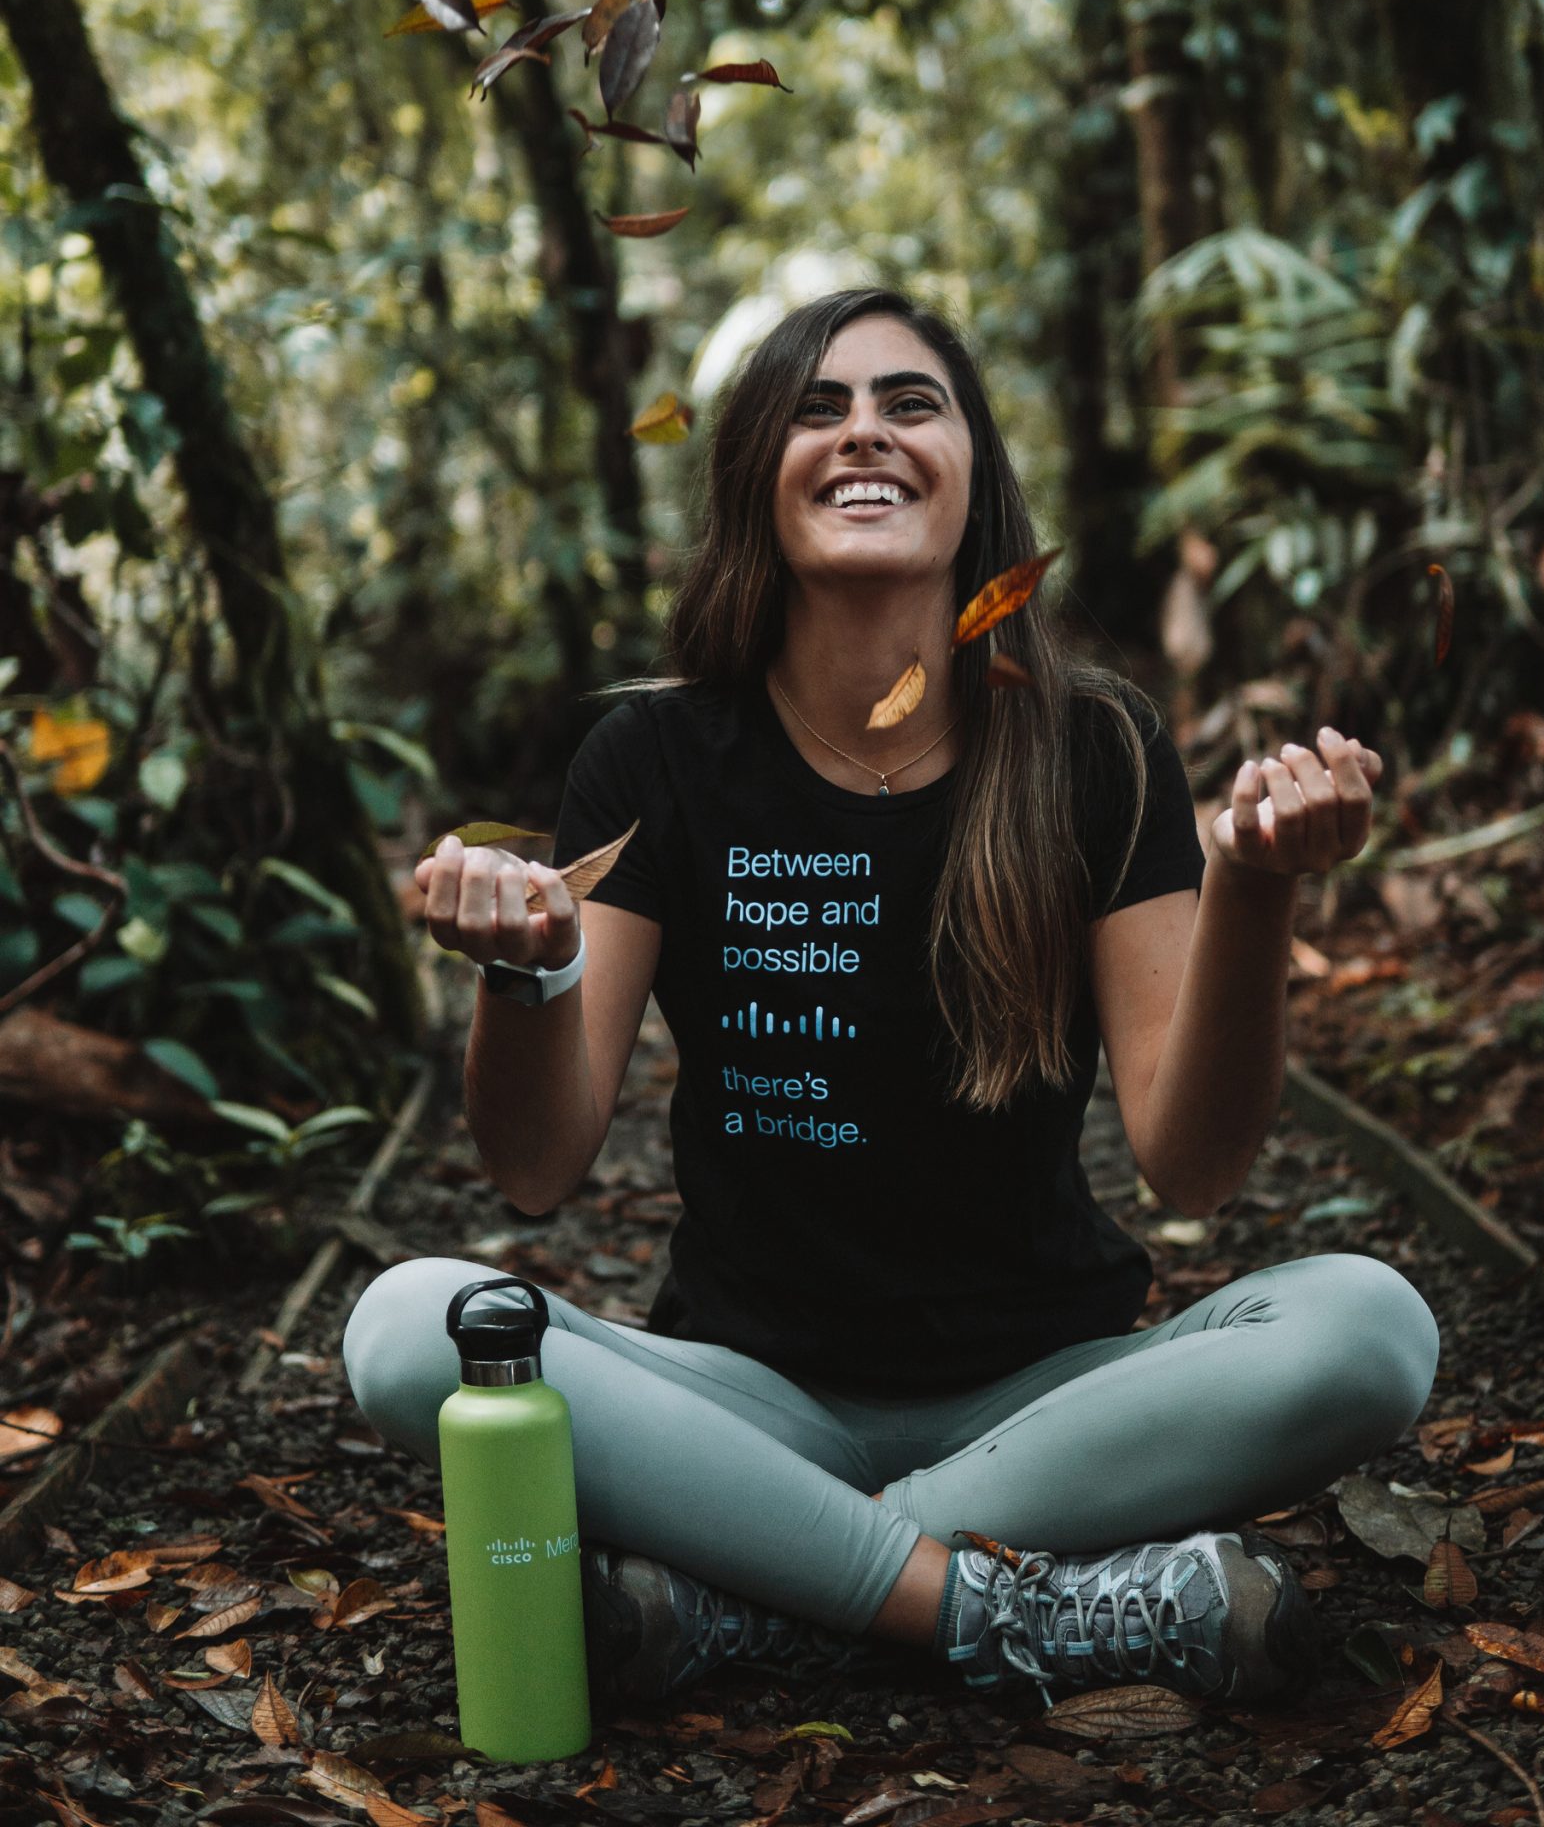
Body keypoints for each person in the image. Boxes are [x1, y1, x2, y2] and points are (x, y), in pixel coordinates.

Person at [342, 286, 1438, 1716]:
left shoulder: (1095, 750)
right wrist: (526, 968)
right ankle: (982, 1602)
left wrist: (1255, 886)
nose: (866, 431)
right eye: (817, 406)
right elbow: (540, 1168)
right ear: (757, 477)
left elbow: (1195, 1161)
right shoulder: (656, 758)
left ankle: (764, 1589)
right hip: (748, 1398)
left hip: (1051, 1400)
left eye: (910, 401)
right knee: (406, 1325)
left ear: (974, 469)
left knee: (1374, 1327)